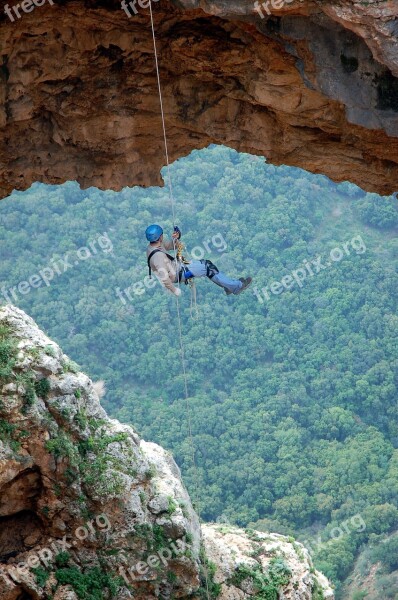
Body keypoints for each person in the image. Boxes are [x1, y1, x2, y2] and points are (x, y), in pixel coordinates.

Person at [145, 224, 252, 297]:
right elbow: (164, 277)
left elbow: (170, 246)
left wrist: (176, 238)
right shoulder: (157, 257)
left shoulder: (154, 246)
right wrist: (174, 290)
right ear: (159, 237)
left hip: (178, 268)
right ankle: (237, 287)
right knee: (207, 268)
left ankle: (229, 286)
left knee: (207, 264)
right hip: (180, 274)